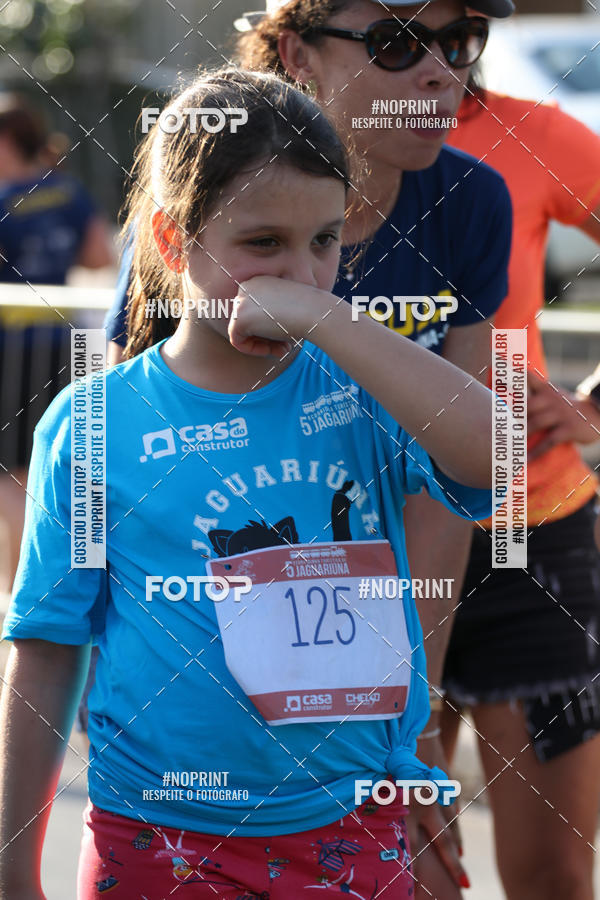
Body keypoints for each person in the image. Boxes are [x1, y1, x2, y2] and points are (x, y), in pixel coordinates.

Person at [0, 68, 496, 900]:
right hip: (154, 835)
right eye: (262, 244)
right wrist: (13, 863)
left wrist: (333, 323)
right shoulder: (95, 426)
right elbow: (47, 650)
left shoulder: (364, 387)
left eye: (326, 242)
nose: (298, 278)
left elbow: (495, 457)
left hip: (351, 824)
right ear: (170, 239)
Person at [440, 85, 600, 900]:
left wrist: (594, 408)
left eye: (464, 29)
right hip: (364, 549)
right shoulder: (288, 132)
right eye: (398, 34)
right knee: (390, 871)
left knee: (554, 878)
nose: (436, 59)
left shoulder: (534, 133)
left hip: (530, 534)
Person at [0, 94, 113, 595]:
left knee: (10, 476)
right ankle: (54, 587)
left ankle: (16, 591)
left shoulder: (3, 199)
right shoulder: (65, 189)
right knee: (55, 468)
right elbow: (98, 256)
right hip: (63, 346)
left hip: (10, 349)